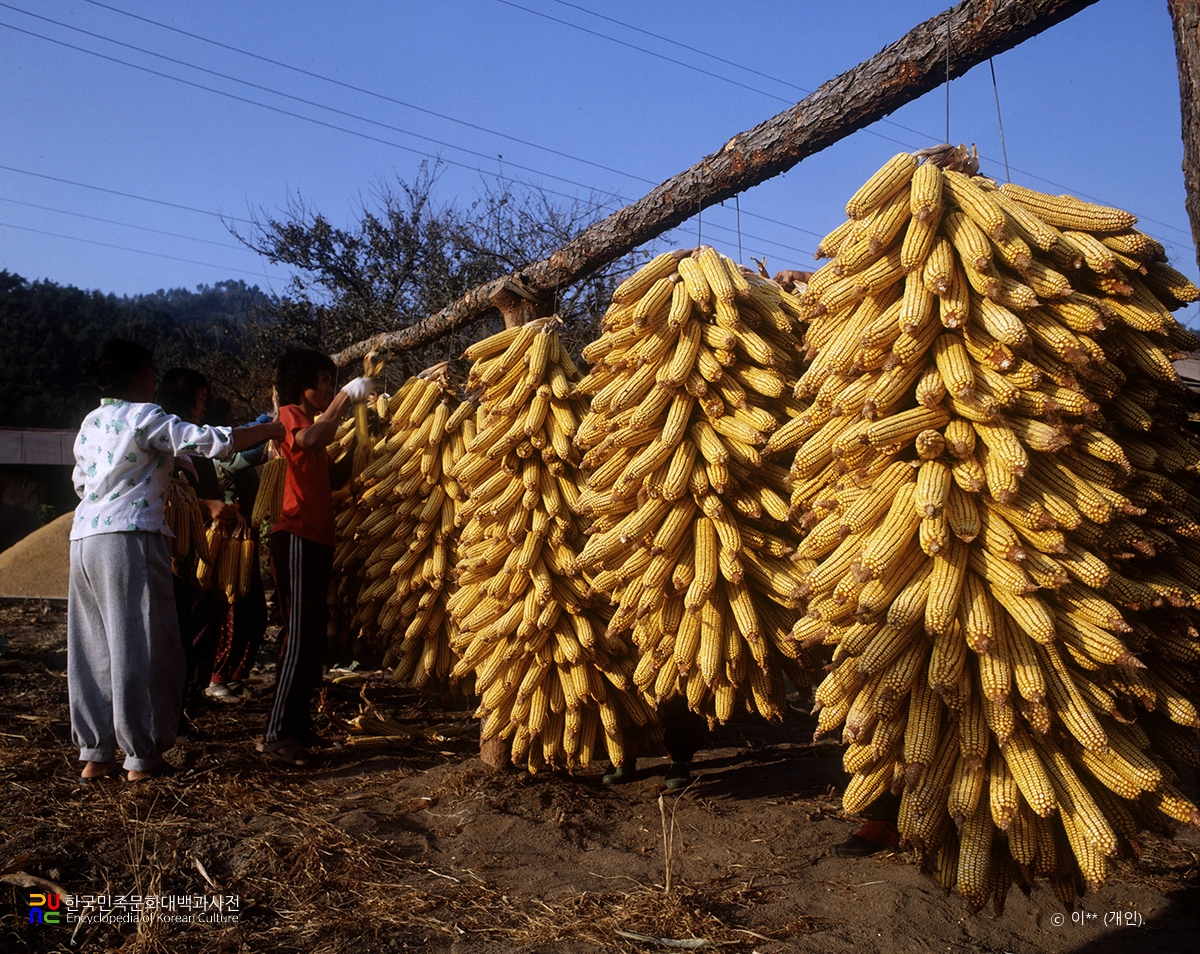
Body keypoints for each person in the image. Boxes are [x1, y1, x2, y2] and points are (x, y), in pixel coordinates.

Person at [69, 340, 283, 782]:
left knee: (93, 647)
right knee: (145, 646)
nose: (154, 379)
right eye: (149, 371)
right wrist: (270, 430)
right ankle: (143, 758)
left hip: (84, 539)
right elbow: (211, 442)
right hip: (131, 537)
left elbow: (79, 481)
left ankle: (95, 753)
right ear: (135, 375)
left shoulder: (92, 421)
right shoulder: (146, 416)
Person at [258, 347, 372, 767]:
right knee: (299, 636)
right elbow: (310, 440)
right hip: (296, 536)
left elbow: (328, 474)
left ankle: (299, 728)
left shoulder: (313, 425)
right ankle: (277, 734)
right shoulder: (290, 415)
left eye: (331, 382)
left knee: (313, 640)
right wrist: (346, 398)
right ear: (302, 387)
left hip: (318, 538)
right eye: (323, 381)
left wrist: (362, 449)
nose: (327, 388)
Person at [156, 368, 236, 734]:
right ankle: (173, 708)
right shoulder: (168, 439)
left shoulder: (196, 441)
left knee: (212, 611)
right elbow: (173, 494)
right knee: (181, 629)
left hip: (197, 550)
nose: (204, 408)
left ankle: (189, 695)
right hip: (172, 554)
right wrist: (208, 506)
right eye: (200, 400)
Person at [204, 396, 270, 704]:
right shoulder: (223, 458)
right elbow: (257, 453)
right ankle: (216, 677)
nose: (235, 431)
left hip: (246, 538)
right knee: (233, 610)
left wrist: (269, 418)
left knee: (255, 611)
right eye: (230, 427)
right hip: (228, 541)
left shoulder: (236, 449)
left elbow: (253, 430)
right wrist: (276, 431)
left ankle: (234, 676)